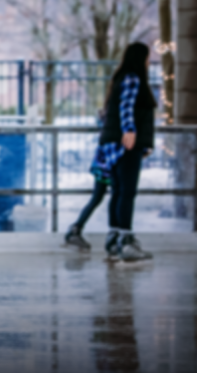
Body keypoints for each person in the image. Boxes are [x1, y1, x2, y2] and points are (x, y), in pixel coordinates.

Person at [96, 42, 157, 262]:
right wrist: (130, 131)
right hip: (125, 143)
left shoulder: (121, 78)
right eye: (147, 57)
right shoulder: (133, 78)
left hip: (112, 143)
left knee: (119, 192)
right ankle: (126, 241)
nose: (149, 62)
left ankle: (114, 239)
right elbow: (127, 107)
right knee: (127, 192)